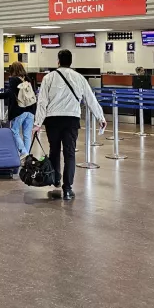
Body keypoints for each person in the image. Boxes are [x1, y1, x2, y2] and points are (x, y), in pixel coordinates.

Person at [33, 49, 105, 200]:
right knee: (69, 153)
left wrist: (37, 123)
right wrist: (100, 117)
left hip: (52, 120)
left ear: (58, 61)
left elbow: (42, 102)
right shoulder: (79, 78)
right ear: (71, 62)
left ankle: (55, 179)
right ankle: (67, 189)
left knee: (54, 150)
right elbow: (90, 99)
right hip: (71, 120)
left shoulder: (49, 78)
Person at [0, 61, 36, 158]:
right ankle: (27, 156)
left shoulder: (13, 79)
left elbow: (10, 94)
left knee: (14, 131)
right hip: (31, 110)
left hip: (19, 110)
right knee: (27, 134)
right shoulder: (28, 79)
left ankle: (23, 152)